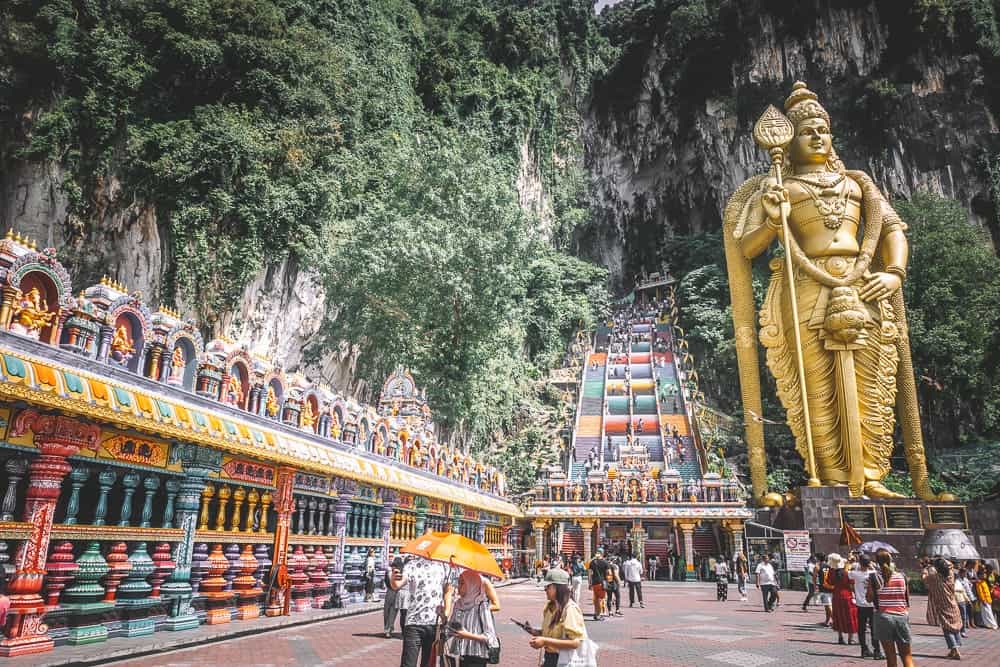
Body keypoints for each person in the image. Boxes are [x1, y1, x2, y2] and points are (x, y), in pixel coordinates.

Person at [390, 556, 453, 667]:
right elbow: (396, 585)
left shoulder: (444, 566)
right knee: (408, 663)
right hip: (414, 623)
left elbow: (448, 590)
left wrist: (446, 613)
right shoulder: (411, 565)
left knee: (429, 664)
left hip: (434, 623)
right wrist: (393, 577)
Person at [526, 569, 585, 667]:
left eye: (548, 586)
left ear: (558, 588)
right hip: (549, 658)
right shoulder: (549, 607)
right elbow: (553, 633)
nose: (545, 589)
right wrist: (535, 632)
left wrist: (545, 641)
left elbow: (575, 643)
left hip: (564, 660)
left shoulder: (570, 609)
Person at [444, 570, 500, 667]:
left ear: (472, 584)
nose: (458, 586)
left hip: (477, 656)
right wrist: (443, 615)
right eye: (458, 583)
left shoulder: (482, 606)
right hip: (462, 654)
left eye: (462, 583)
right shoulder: (458, 604)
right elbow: (451, 629)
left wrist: (467, 635)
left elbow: (490, 637)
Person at [870, 548, 914, 667]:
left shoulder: (875, 577)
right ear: (891, 560)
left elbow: (869, 598)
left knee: (891, 657)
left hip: (883, 616)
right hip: (901, 616)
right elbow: (906, 598)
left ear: (877, 562)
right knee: (907, 656)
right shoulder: (902, 576)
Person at [922, 557, 963, 660]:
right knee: (955, 626)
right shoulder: (951, 575)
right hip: (952, 604)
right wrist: (941, 559)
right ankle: (954, 649)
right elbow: (950, 565)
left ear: (937, 568)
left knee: (947, 628)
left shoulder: (935, 578)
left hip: (942, 606)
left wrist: (926, 568)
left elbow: (924, 579)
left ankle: (955, 649)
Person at [850, 554, 882, 659]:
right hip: (872, 605)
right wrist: (872, 567)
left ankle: (864, 650)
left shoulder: (855, 574)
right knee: (874, 629)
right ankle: (877, 651)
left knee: (861, 629)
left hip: (860, 605)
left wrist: (850, 560)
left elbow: (845, 571)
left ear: (860, 563)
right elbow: (880, 585)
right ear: (869, 563)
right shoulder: (873, 573)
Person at [826, 553, 858, 645]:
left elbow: (829, 583)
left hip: (836, 596)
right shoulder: (847, 573)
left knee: (838, 617)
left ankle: (840, 637)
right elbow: (852, 584)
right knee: (850, 617)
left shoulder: (831, 572)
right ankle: (850, 639)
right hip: (847, 596)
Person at [384, 557, 408, 638]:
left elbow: (386, 581)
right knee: (392, 613)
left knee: (387, 611)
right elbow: (398, 583)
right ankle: (389, 629)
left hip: (389, 592)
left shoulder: (388, 571)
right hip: (396, 592)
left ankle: (387, 629)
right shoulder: (400, 572)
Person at [588, 549, 609, 621]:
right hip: (602, 583)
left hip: (594, 583)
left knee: (596, 599)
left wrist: (590, 583)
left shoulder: (592, 562)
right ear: (602, 554)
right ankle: (599, 614)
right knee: (601, 599)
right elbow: (608, 573)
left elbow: (590, 574)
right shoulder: (605, 562)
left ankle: (596, 613)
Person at [955, 567, 974, 637]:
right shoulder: (957, 581)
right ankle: (957, 630)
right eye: (964, 573)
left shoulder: (966, 580)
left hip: (964, 599)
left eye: (965, 573)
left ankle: (963, 631)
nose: (965, 574)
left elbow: (968, 588)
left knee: (964, 616)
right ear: (960, 573)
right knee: (958, 616)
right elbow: (959, 590)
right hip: (958, 600)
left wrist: (969, 599)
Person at [816, 552, 833, 627]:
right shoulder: (830, 566)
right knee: (827, 605)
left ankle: (835, 621)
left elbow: (814, 578)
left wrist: (815, 586)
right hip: (832, 587)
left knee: (828, 605)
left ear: (818, 558)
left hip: (823, 588)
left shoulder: (818, 566)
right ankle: (827, 621)